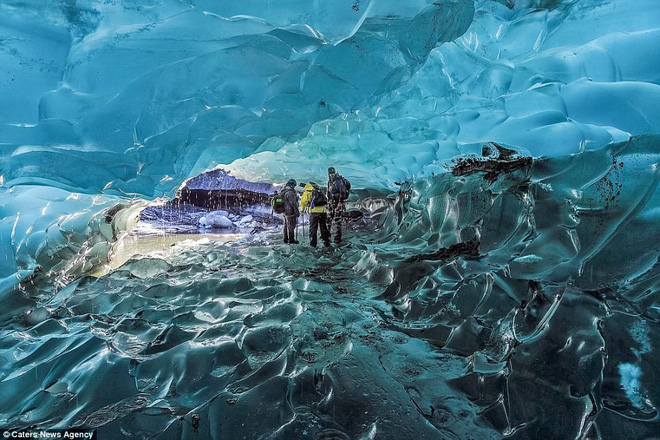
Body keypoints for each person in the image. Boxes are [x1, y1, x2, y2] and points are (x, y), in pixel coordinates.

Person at [300, 182, 331, 248]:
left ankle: (313, 244)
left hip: (314, 212)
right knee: (323, 227)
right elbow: (326, 200)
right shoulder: (320, 190)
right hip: (323, 212)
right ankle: (326, 242)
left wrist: (302, 211)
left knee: (313, 229)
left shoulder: (308, 192)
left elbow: (303, 202)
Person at [326, 167, 351, 245]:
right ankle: (327, 233)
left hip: (338, 202)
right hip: (331, 202)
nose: (331, 175)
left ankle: (338, 236)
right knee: (329, 218)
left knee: (338, 219)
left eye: (332, 173)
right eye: (330, 173)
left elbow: (342, 192)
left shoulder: (338, 181)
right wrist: (328, 201)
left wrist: (340, 202)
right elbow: (329, 192)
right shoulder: (329, 181)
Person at [281, 178, 300, 244]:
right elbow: (293, 203)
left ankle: (285, 239)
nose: (294, 187)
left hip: (284, 211)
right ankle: (291, 240)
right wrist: (297, 211)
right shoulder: (290, 192)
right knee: (291, 226)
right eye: (294, 185)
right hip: (290, 212)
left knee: (286, 225)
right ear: (292, 185)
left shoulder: (284, 190)